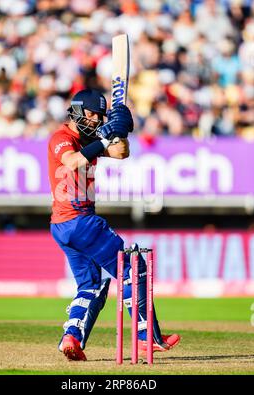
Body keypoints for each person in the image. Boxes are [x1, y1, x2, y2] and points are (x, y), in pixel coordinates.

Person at [48, 88, 180, 361]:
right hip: (80, 220)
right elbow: (73, 161)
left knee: (91, 285)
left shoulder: (91, 136)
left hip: (63, 227)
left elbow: (122, 153)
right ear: (75, 111)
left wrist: (119, 132)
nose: (96, 119)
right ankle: (147, 337)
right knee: (132, 268)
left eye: (100, 115)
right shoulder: (62, 138)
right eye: (91, 114)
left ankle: (71, 337)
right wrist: (101, 139)